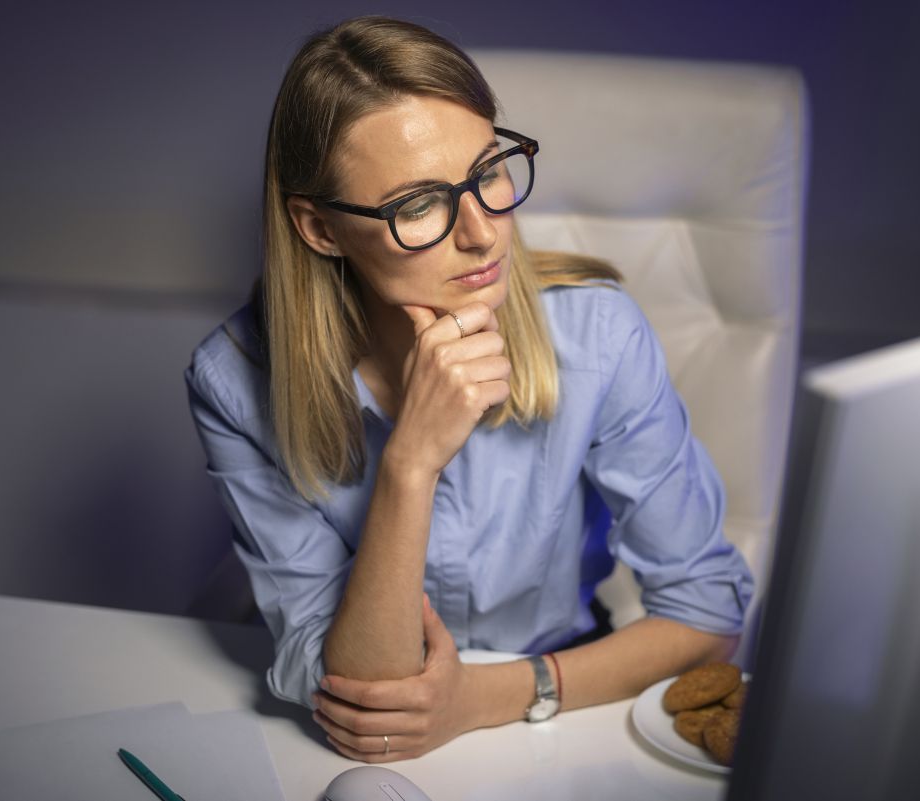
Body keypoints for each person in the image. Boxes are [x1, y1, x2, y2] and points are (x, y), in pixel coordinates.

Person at [185, 15, 752, 763]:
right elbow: (367, 700)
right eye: (418, 204)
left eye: (489, 170)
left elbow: (709, 614)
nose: (484, 233)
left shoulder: (596, 334)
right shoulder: (233, 381)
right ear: (319, 228)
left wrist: (483, 698)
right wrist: (410, 461)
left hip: (562, 708)